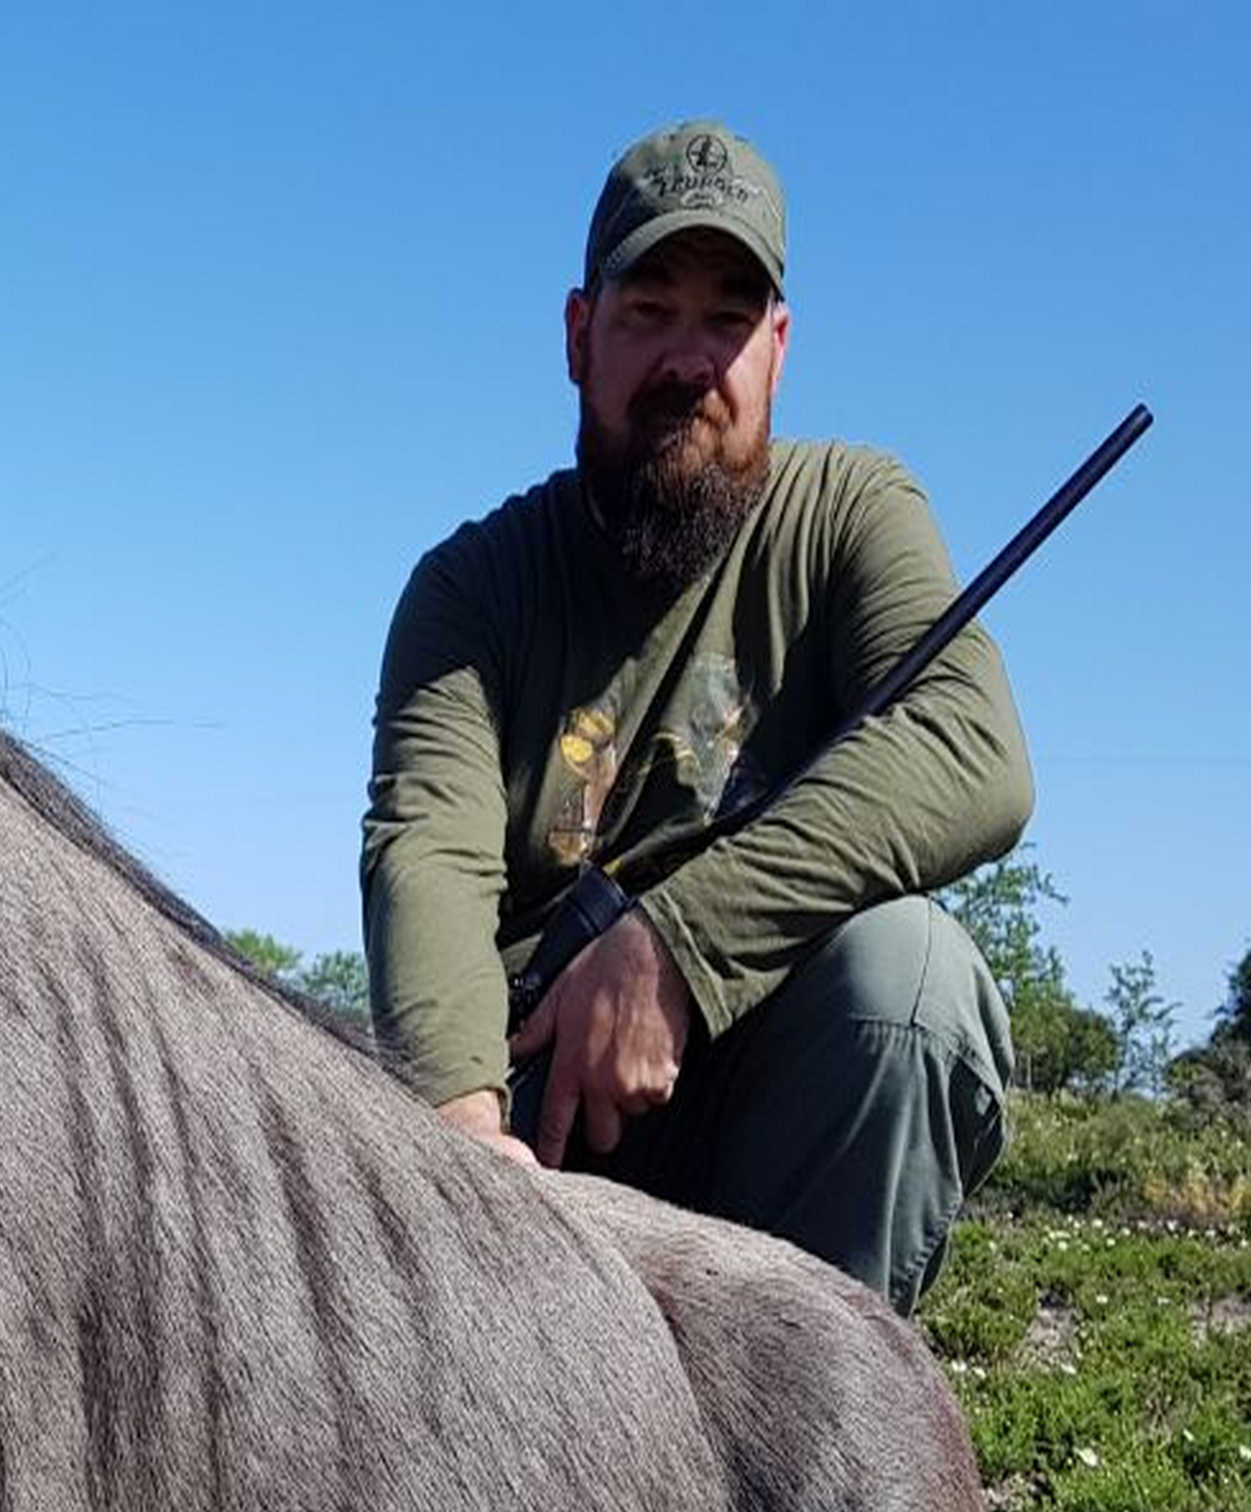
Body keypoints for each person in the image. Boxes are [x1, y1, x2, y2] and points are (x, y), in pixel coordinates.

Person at [359, 118, 1028, 1314]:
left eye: (727, 317)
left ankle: (812, 1452)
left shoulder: (850, 514)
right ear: (578, 337)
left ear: (779, 346)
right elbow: (430, 854)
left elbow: (973, 750)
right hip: (541, 1134)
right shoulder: (470, 589)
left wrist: (672, 949)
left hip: (775, 1104)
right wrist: (461, 1135)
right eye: (648, 310)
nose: (688, 360)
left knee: (909, 978)